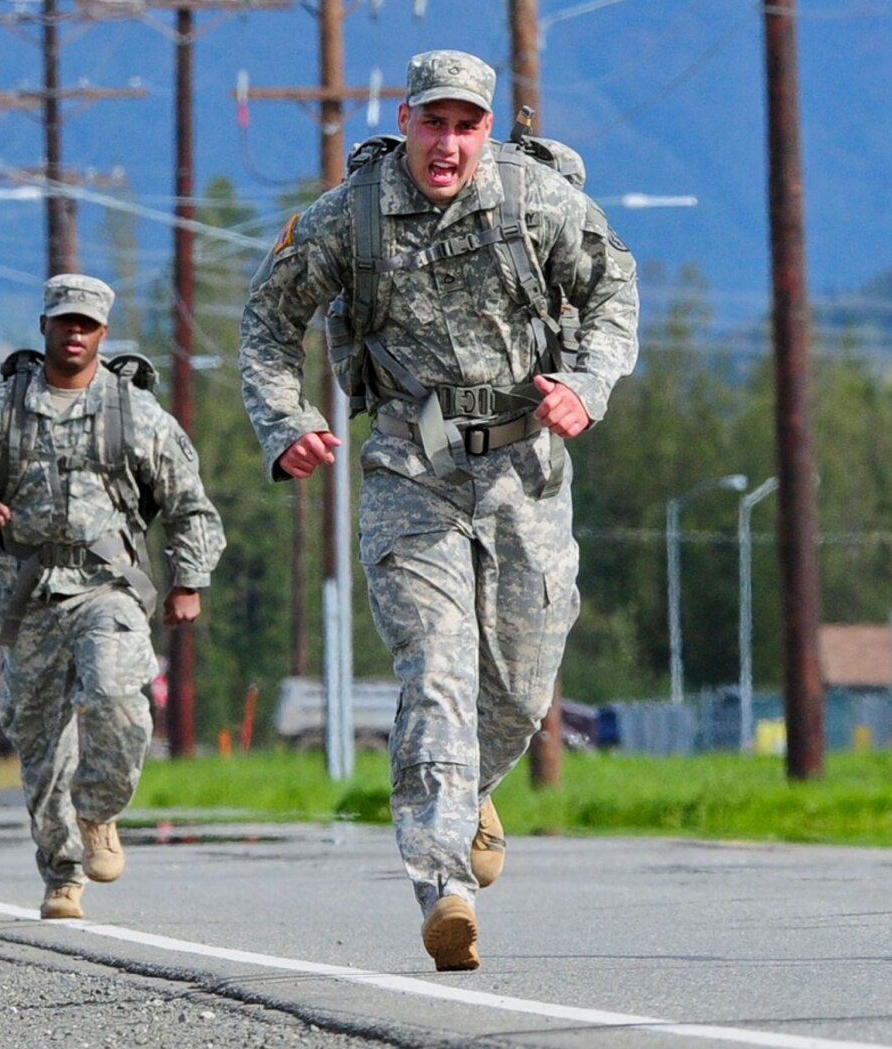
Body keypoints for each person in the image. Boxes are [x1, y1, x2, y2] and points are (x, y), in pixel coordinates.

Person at [239, 50, 637, 972]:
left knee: (522, 687)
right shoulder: (351, 218)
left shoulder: (537, 203)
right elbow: (266, 323)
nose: (447, 143)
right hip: (408, 475)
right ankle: (443, 886)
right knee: (436, 669)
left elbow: (614, 290)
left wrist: (587, 383)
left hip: (525, 476)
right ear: (407, 121)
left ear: (485, 130)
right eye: (433, 123)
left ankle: (469, 793)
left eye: (466, 125)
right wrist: (286, 424)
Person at [0, 272, 225, 919]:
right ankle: (62, 873)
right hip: (27, 596)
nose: (76, 334)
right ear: (45, 327)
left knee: (119, 700)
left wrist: (190, 578)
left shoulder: (136, 413)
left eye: (87, 324)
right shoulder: (1, 411)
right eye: (65, 322)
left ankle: (99, 813)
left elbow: (190, 505)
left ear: (103, 333)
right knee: (41, 745)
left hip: (109, 587)